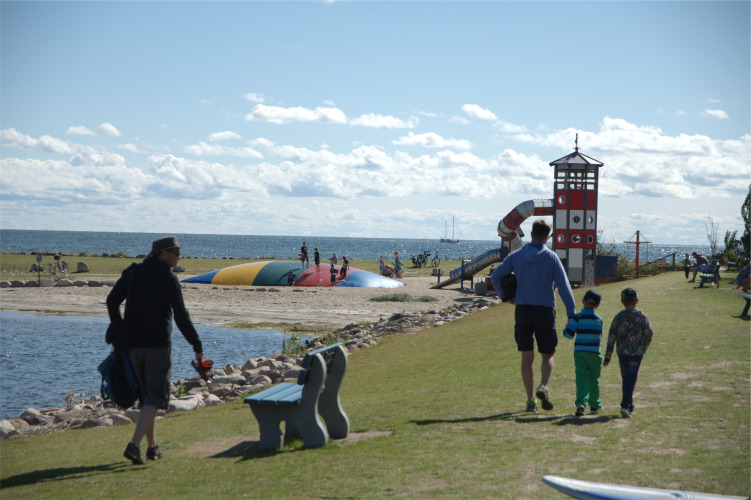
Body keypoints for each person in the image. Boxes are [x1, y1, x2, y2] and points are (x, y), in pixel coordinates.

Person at [106, 236, 205, 465]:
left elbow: (112, 301)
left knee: (146, 398)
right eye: (176, 253)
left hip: (132, 346)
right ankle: (134, 446)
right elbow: (181, 316)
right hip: (158, 346)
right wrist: (196, 344)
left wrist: (120, 328)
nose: (179, 257)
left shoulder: (133, 273)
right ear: (163, 254)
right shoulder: (168, 278)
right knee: (154, 397)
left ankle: (152, 447)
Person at [490, 219, 576, 412]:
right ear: (547, 237)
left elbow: (495, 277)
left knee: (527, 357)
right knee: (548, 355)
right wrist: (571, 313)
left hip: (522, 310)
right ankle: (543, 386)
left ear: (531, 234)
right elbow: (564, 287)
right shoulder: (552, 257)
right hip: (544, 311)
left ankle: (530, 400)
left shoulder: (516, 256)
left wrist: (505, 297)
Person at [604, 287, 653, 418]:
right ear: (637, 300)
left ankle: (629, 406)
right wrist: (644, 346)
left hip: (622, 353)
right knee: (631, 379)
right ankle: (625, 405)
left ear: (622, 302)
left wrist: (607, 356)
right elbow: (649, 333)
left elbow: (611, 337)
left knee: (626, 380)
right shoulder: (642, 317)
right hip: (636, 353)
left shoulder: (619, 317)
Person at [563, 290, 604, 417]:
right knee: (593, 379)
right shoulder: (599, 319)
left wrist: (566, 327)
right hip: (595, 354)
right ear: (597, 305)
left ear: (583, 301)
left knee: (581, 378)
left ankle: (581, 403)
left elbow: (569, 334)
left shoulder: (577, 317)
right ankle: (595, 405)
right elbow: (600, 336)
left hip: (580, 353)